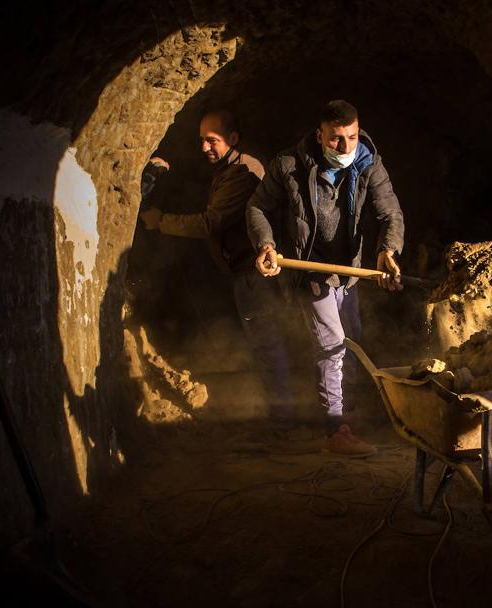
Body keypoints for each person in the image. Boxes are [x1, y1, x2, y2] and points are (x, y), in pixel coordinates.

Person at [246, 99, 404, 456]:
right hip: (309, 269)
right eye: (336, 139)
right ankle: (336, 431)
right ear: (320, 135)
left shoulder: (368, 162)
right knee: (332, 345)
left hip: (347, 273)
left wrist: (388, 250)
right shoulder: (288, 165)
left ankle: (346, 415)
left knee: (352, 341)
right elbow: (257, 206)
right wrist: (266, 244)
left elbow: (390, 213)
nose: (345, 146)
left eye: (351, 136)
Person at [139, 110, 293, 428]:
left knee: (266, 343)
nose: (205, 147)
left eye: (213, 140)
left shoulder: (242, 173)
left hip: (255, 274)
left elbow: (211, 222)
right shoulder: (229, 168)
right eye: (202, 141)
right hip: (244, 271)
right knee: (264, 343)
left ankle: (283, 421)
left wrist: (161, 222)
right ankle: (280, 415)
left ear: (232, 139)